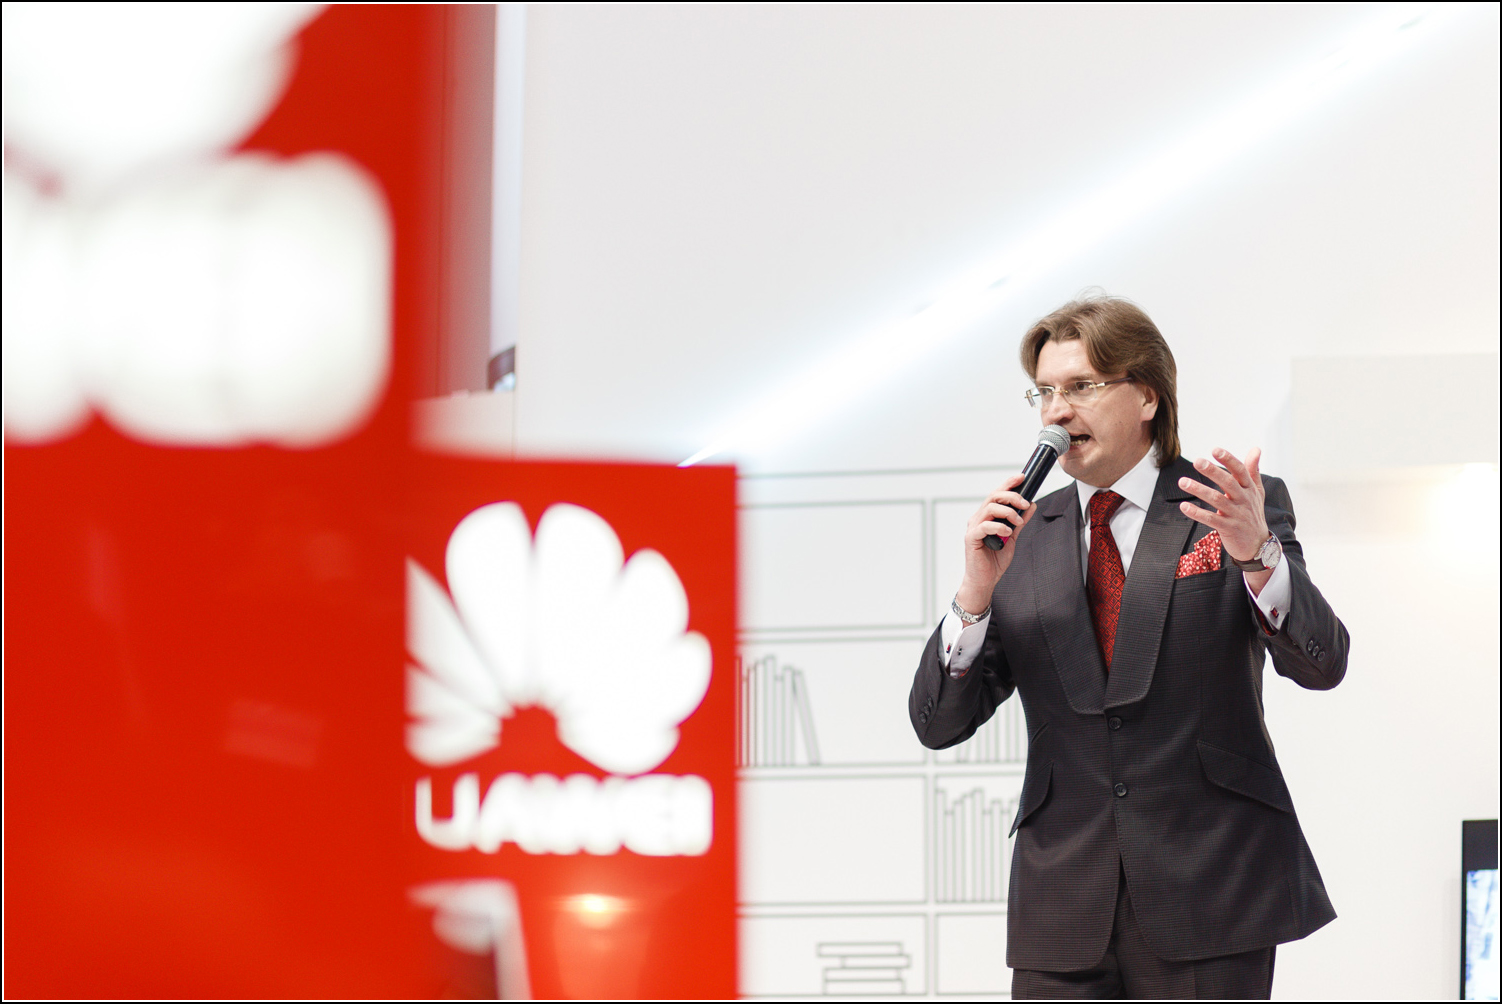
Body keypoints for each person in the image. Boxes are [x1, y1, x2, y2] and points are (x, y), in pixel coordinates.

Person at [909, 295, 1347, 1000]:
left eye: (1080, 387)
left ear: (1146, 396)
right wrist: (974, 593)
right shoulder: (1020, 536)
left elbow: (1321, 663)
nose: (1056, 413)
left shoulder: (1229, 506)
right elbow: (938, 723)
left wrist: (1257, 552)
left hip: (1213, 885)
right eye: (1044, 392)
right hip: (1063, 902)